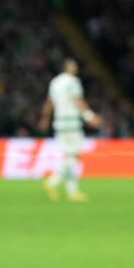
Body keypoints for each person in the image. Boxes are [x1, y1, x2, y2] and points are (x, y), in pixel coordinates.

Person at [39, 58, 101, 202]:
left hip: (59, 123)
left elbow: (50, 102)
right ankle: (52, 182)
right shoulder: (73, 82)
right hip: (72, 123)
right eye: (74, 66)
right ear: (67, 68)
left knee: (70, 157)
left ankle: (72, 192)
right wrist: (89, 116)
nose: (76, 68)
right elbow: (78, 100)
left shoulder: (55, 82)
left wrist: (45, 119)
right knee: (74, 157)